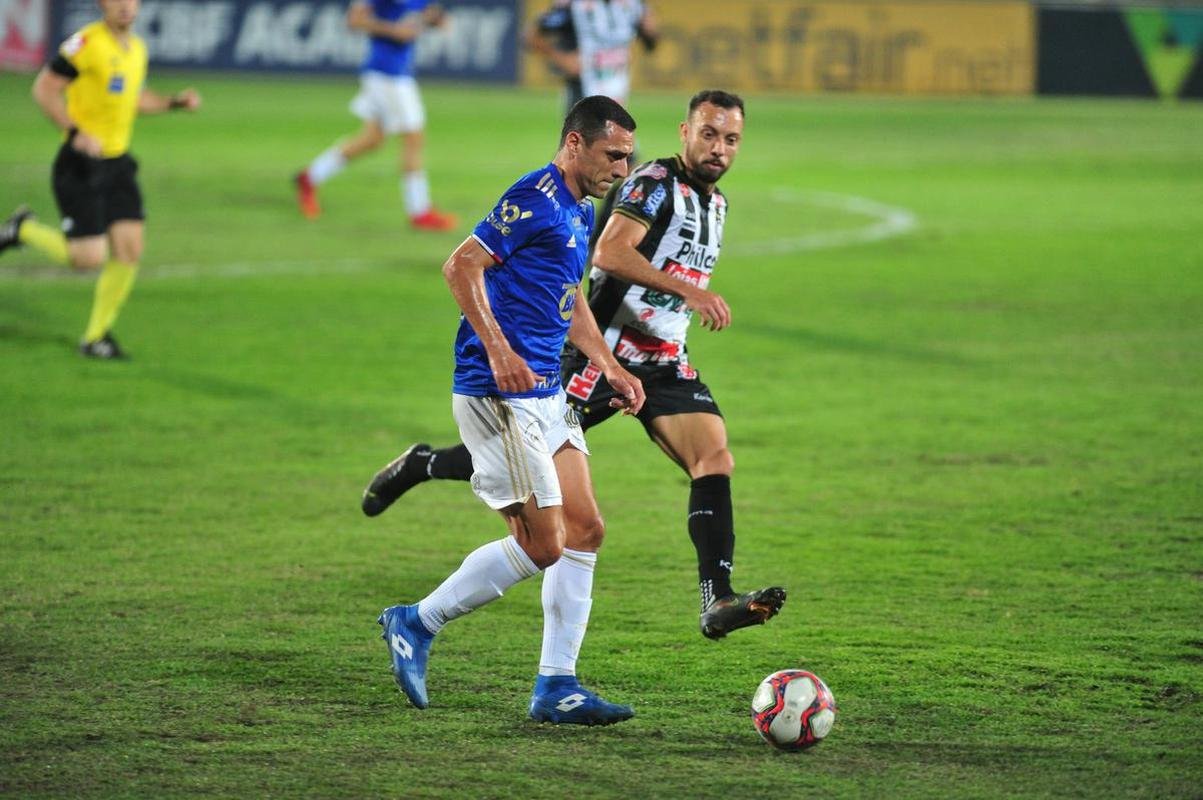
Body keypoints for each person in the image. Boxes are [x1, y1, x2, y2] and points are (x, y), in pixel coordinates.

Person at [363, 90, 787, 641]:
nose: (719, 148)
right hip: (597, 353)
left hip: (660, 358)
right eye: (709, 134)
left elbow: (577, 280)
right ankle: (423, 466)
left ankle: (718, 597)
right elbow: (608, 254)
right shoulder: (651, 185)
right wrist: (685, 295)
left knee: (713, 458)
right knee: (520, 467)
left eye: (731, 139)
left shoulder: (714, 203)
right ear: (685, 132)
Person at [377, 95, 646, 724]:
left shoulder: (581, 208)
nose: (622, 170)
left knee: (586, 529)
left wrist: (609, 364)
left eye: (629, 159)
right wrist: (499, 351)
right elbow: (460, 266)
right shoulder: (535, 198)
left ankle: (557, 685)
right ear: (575, 143)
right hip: (497, 394)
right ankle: (416, 621)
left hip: (547, 392)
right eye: (613, 155)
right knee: (543, 545)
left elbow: (568, 295)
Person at [0, 0, 201, 360]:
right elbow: (44, 88)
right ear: (102, 4)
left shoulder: (137, 49)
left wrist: (174, 103)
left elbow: (134, 99)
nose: (124, 6)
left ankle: (95, 338)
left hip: (119, 164)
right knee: (88, 259)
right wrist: (73, 131)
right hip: (81, 165)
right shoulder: (86, 43)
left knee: (129, 250)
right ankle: (22, 230)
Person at [293, 0, 456, 231]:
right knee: (413, 138)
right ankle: (420, 211)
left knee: (372, 139)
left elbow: (429, 13)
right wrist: (394, 30)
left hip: (392, 73)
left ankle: (310, 177)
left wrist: (435, 19)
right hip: (387, 75)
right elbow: (355, 20)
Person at [525, 0, 659, 113]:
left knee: (616, 133)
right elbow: (531, 37)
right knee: (587, 134)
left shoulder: (632, 4)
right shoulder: (572, 5)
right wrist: (562, 58)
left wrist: (651, 31)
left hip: (618, 88)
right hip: (582, 88)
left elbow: (651, 43)